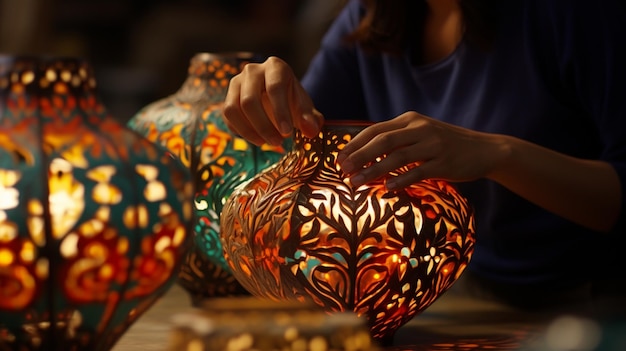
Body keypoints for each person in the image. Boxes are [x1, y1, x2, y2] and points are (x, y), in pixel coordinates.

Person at [222, 0, 626, 313]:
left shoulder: (573, 12)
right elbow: (305, 144)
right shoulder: (374, 16)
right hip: (457, 294)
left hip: (592, 302)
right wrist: (268, 98)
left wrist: (498, 154)